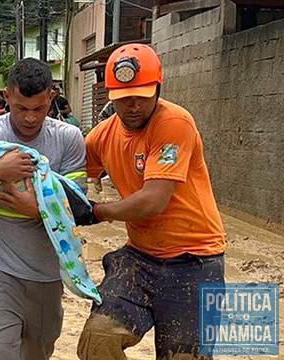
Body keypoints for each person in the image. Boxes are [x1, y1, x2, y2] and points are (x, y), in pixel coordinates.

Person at [77, 44, 226, 360]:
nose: (132, 105)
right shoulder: (102, 136)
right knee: (97, 341)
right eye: (122, 98)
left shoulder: (175, 123)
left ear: (158, 88)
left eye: (141, 96)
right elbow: (65, 176)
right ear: (110, 97)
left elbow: (153, 201)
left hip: (195, 262)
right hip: (140, 259)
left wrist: (95, 212)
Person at [0, 58, 88, 359]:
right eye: (21, 108)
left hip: (47, 276)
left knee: (37, 354)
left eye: (39, 109)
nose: (30, 118)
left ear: (51, 98)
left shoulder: (68, 139)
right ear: (6, 97)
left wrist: (37, 209)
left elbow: (79, 209)